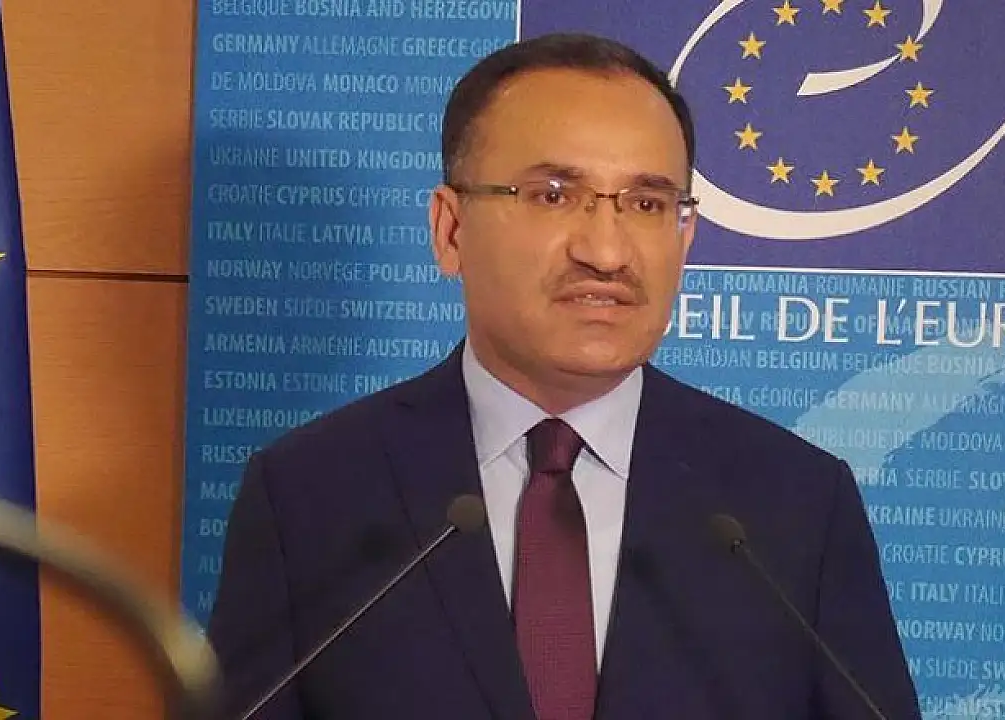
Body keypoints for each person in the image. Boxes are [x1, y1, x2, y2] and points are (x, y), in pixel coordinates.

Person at [207, 31, 921, 720]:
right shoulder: (308, 494)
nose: (606, 252)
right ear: (450, 230)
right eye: (552, 194)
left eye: (647, 204)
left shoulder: (795, 505)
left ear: (685, 236)